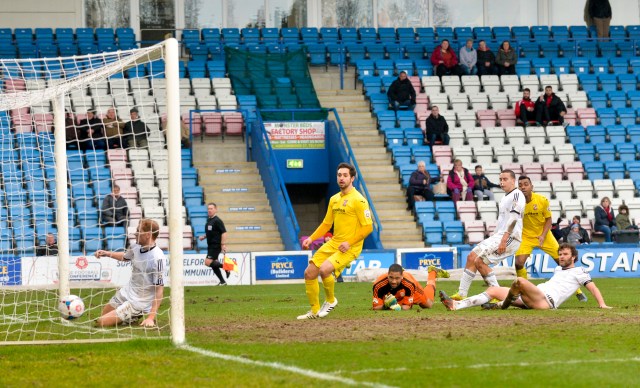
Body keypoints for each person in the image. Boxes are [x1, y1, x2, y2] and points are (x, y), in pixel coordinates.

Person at [298, 162, 373, 319]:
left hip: (350, 247)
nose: (341, 178)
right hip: (334, 243)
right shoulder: (334, 199)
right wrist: (311, 238)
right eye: (339, 175)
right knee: (309, 273)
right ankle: (314, 311)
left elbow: (368, 228)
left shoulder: (359, 200)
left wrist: (349, 242)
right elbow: (327, 224)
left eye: (345, 175)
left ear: (352, 178)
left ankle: (331, 301)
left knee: (324, 269)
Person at [440, 243, 611, 311]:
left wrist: (602, 304)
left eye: (565, 254)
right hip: (534, 297)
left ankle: (503, 305)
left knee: (519, 281)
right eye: (560, 254)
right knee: (493, 289)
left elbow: (593, 287)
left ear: (573, 257)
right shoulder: (559, 270)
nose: (561, 256)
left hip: (546, 301)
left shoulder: (580, 271)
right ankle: (456, 305)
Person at [450, 169, 525, 300]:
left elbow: (513, 219)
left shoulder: (517, 195)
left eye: (505, 179)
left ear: (513, 180)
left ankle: (499, 295)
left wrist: (503, 239)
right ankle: (461, 294)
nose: (502, 182)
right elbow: (502, 221)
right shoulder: (505, 197)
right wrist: (494, 236)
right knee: (471, 256)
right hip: (500, 236)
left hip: (511, 238)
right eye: (500, 179)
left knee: (480, 261)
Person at [513, 176, 587, 302]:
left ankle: (577, 290)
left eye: (526, 184)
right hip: (526, 236)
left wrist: (542, 235)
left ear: (532, 186)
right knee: (518, 263)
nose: (523, 187)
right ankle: (524, 291)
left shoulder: (542, 200)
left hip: (545, 235)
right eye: (520, 185)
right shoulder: (516, 203)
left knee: (563, 262)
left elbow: (549, 220)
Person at [95, 219, 165, 327]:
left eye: (138, 230)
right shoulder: (135, 246)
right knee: (102, 316)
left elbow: (159, 290)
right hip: (126, 292)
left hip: (138, 302)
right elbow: (125, 257)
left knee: (102, 323)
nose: (135, 233)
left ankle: (134, 314)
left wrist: (151, 318)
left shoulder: (157, 258)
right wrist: (107, 253)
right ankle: (129, 318)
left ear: (148, 235)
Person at [372, 264, 449, 311]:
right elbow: (376, 307)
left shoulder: (409, 284)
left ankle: (432, 273)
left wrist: (394, 306)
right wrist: (386, 305)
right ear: (387, 275)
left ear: (402, 276)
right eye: (391, 277)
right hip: (397, 293)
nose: (394, 281)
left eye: (397, 278)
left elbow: (407, 307)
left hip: (413, 289)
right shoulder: (378, 285)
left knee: (428, 305)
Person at [198, 203, 229, 285]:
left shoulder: (217, 220)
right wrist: (204, 236)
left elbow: (224, 233)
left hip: (215, 245)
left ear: (215, 209)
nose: (209, 210)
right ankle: (222, 282)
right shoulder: (209, 220)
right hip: (210, 245)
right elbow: (212, 232)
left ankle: (226, 268)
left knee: (207, 262)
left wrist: (223, 244)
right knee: (214, 264)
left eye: (211, 208)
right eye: (208, 209)